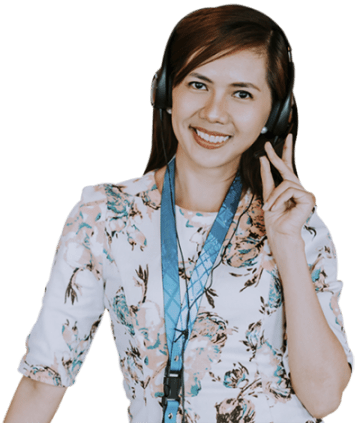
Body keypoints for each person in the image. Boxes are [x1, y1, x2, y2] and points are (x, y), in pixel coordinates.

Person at [3, 4, 355, 423]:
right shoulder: (106, 216)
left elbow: (324, 398)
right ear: (166, 92)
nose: (213, 112)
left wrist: (287, 245)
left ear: (273, 114)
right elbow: (44, 381)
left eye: (242, 93)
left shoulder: (298, 224)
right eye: (198, 84)